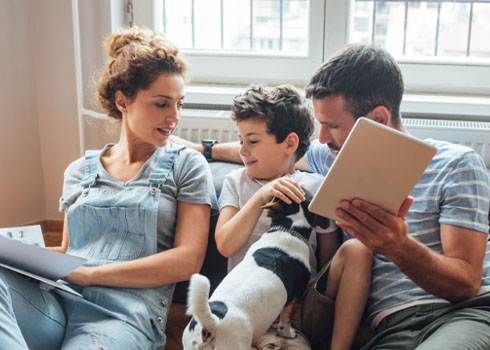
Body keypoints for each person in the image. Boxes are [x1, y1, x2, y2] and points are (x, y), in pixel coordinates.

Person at [192, 44, 490, 349]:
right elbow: (271, 153)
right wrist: (199, 149)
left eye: (332, 125)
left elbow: (466, 284)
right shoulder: (333, 157)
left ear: (378, 119)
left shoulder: (456, 163)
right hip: (391, 327)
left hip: (459, 315)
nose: (321, 138)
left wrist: (399, 247)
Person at [0, 27, 217, 350]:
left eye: (179, 103)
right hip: (59, 305)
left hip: (123, 318)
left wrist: (91, 274)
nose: (174, 116)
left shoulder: (186, 165)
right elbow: (69, 251)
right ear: (123, 101)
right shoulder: (80, 170)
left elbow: (187, 260)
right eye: (162, 104)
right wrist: (2, 255)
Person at [213, 84, 373, 350]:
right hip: (245, 303)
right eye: (241, 140)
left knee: (358, 250)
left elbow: (327, 261)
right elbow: (225, 244)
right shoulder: (236, 183)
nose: (242, 151)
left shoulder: (315, 187)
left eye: (252, 141)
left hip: (294, 309)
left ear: (289, 143)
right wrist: (260, 197)